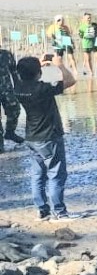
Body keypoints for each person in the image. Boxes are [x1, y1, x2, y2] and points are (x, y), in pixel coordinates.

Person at [14, 55, 77, 221]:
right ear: (39, 73)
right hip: (49, 136)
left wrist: (37, 67)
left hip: (32, 137)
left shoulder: (18, 87)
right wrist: (60, 66)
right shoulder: (42, 89)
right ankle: (60, 212)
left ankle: (42, 211)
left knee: (38, 175)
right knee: (56, 174)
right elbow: (70, 81)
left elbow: (25, 74)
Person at [0, 42, 22, 149]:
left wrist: (18, 87)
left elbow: (14, 72)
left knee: (15, 109)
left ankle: (10, 132)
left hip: (7, 90)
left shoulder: (6, 54)